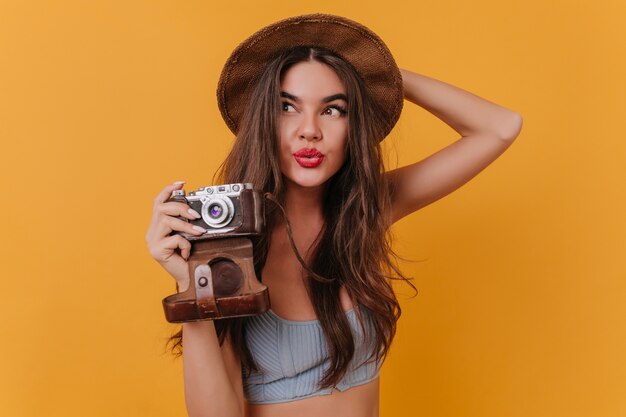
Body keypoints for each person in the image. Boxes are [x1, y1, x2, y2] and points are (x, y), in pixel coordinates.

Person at [145, 13, 522, 417]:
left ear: (352, 123)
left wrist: (376, 74)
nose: (310, 130)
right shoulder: (226, 250)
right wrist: (192, 287)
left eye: (333, 109)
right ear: (263, 122)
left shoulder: (365, 213)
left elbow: (499, 127)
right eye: (287, 107)